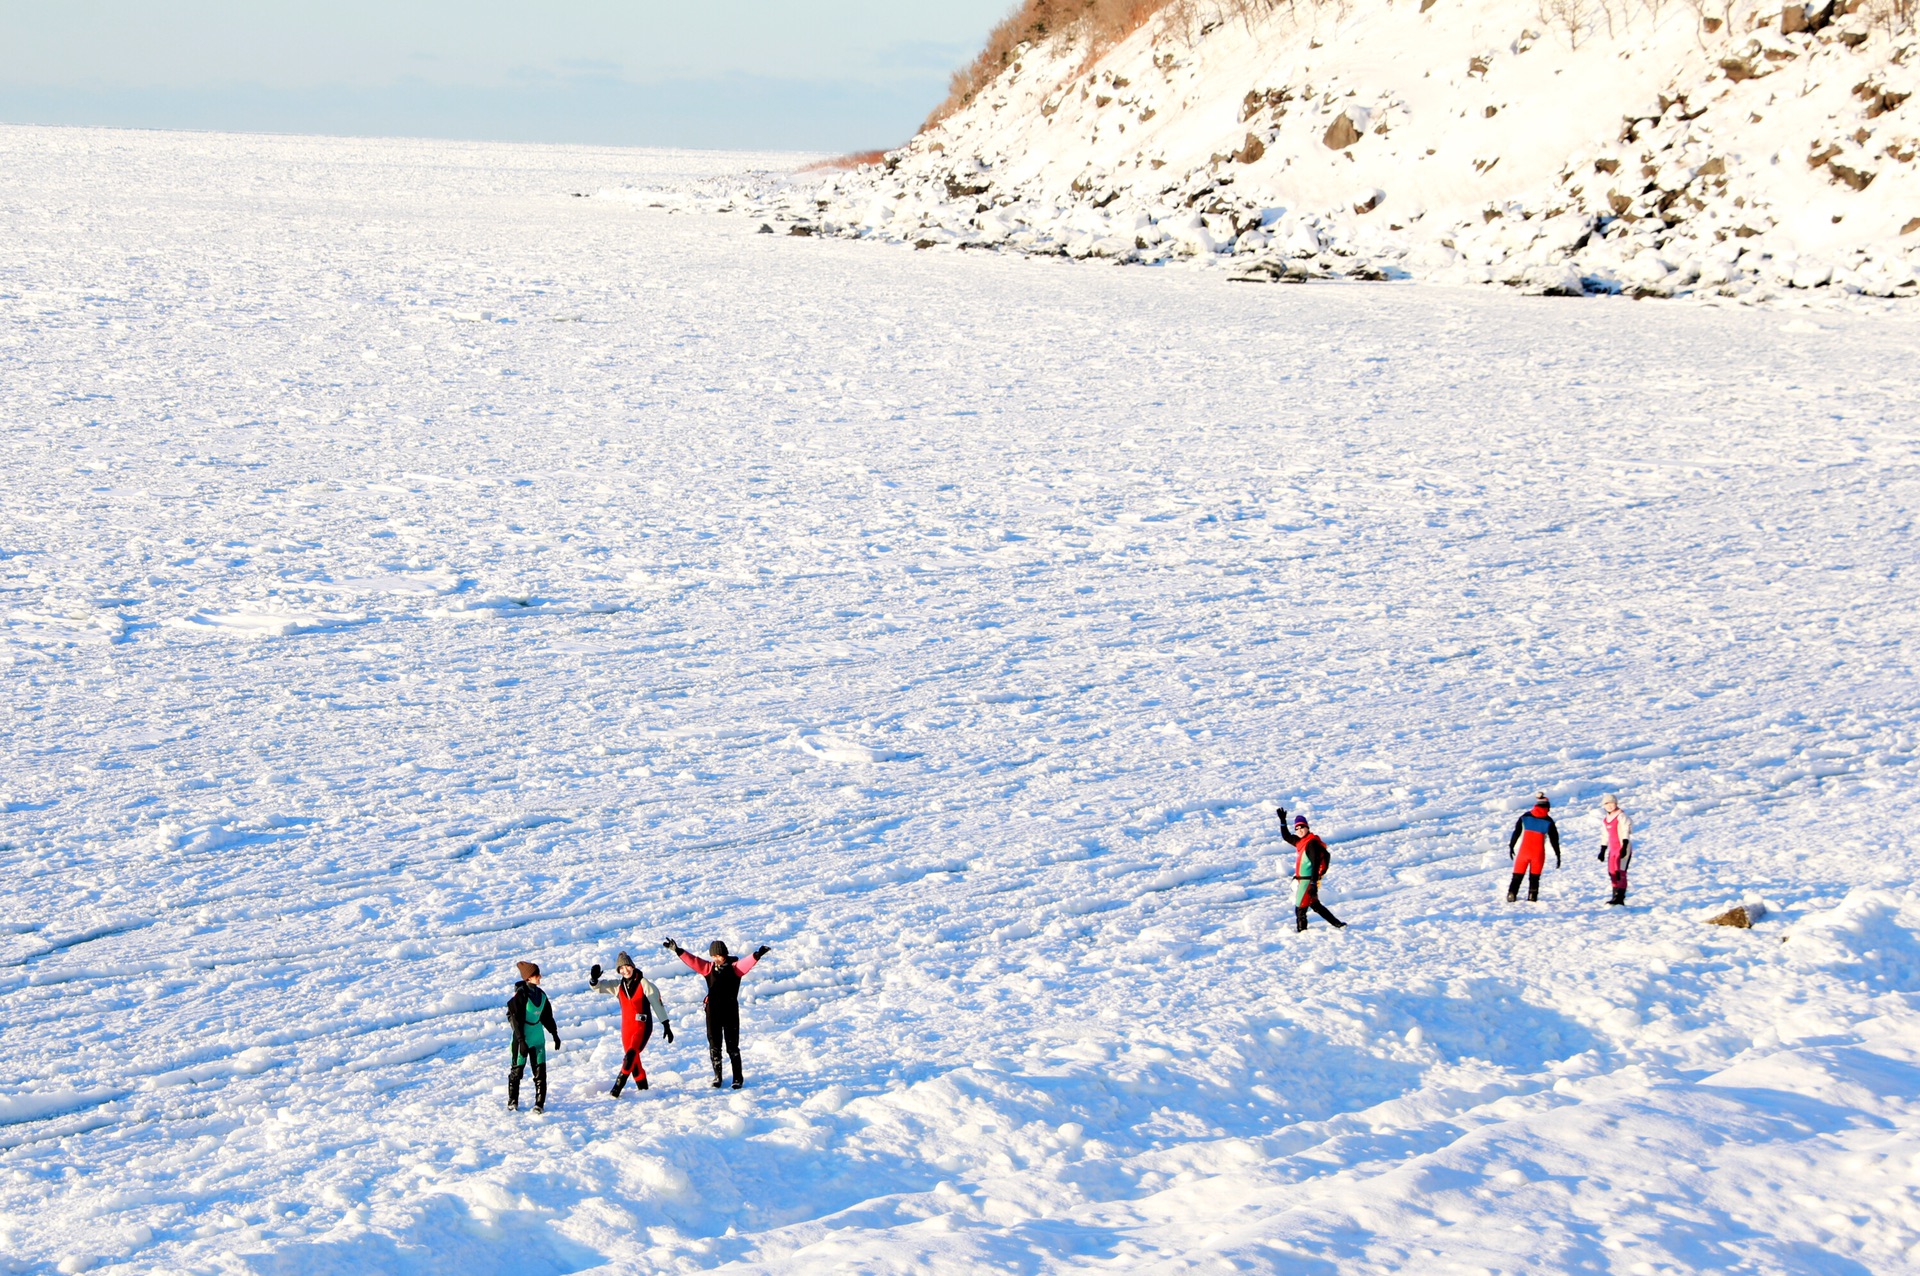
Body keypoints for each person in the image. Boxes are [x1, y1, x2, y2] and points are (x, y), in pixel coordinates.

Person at [663, 937, 771, 1089]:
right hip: (713, 1012)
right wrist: (678, 950)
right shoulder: (708, 968)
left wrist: (757, 954)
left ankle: (737, 1078)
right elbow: (693, 961)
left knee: (732, 1046)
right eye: (714, 956)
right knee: (714, 1045)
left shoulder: (735, 968)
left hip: (730, 1011)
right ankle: (717, 1076)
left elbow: (747, 963)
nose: (717, 959)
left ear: (725, 954)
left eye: (719, 955)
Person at [590, 951, 673, 1097]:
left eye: (627, 966)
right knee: (634, 1062)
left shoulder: (644, 983)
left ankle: (616, 1089)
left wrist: (665, 1024)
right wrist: (593, 979)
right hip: (626, 1029)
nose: (625, 970)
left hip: (641, 1027)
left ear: (632, 966)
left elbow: (657, 1003)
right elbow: (599, 987)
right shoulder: (618, 986)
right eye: (621, 968)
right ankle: (644, 1090)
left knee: (630, 1057)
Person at [1277, 807, 1346, 932]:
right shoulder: (1301, 842)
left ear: (1307, 827)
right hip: (1305, 881)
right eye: (1297, 828)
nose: (1299, 830)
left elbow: (1315, 864)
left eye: (1302, 827)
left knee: (1300, 908)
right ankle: (1338, 924)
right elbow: (1287, 837)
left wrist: (1313, 882)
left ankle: (1302, 932)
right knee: (1315, 905)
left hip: (1307, 881)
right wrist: (1282, 821)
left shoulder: (1311, 843)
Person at [506, 960, 561, 1113]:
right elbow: (514, 1020)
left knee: (540, 1072)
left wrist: (554, 1034)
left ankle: (539, 1104)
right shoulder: (521, 995)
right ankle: (513, 1101)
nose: (540, 977)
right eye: (536, 975)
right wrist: (521, 1041)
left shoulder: (541, 995)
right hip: (522, 1038)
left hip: (538, 1038)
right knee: (517, 1071)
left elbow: (547, 1016)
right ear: (528, 978)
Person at [1506, 792, 1562, 902]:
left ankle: (1511, 894)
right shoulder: (1549, 821)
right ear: (1547, 807)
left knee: (1517, 875)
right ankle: (1532, 896)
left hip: (1523, 851)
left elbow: (1516, 832)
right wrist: (1558, 854)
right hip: (1538, 853)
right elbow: (1554, 840)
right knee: (1534, 878)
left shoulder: (1525, 817)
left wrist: (1511, 846)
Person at [1597, 794, 1634, 906]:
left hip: (1622, 848)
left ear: (1616, 804)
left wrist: (1624, 844)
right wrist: (1603, 849)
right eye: (1606, 804)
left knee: (1620, 872)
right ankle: (1614, 896)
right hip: (1612, 849)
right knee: (1612, 872)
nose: (1609, 806)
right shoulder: (1606, 820)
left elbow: (1625, 830)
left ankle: (1620, 898)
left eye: (1611, 803)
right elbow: (1605, 835)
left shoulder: (1621, 816)